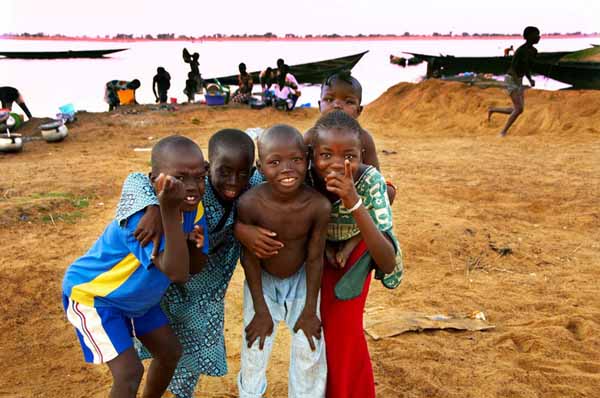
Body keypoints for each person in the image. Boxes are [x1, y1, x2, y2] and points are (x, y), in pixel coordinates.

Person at [114, 129, 273, 398]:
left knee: (191, 352)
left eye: (242, 174)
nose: (234, 181)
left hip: (208, 289)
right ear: (209, 168)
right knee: (160, 343)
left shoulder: (254, 182)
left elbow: (283, 172)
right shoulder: (195, 184)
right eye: (224, 172)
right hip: (168, 278)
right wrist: (154, 205)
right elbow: (137, 179)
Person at [62, 135, 209, 398]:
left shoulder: (194, 210)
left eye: (199, 177)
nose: (192, 187)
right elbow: (175, 273)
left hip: (137, 301)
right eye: (179, 178)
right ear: (154, 180)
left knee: (169, 352)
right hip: (96, 297)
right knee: (129, 373)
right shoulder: (140, 220)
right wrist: (167, 210)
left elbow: (192, 269)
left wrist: (194, 244)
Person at [309, 110, 403, 398]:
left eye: (349, 155)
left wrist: (353, 200)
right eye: (326, 155)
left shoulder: (370, 181)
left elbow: (387, 261)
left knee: (344, 332)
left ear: (362, 154)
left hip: (358, 253)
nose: (337, 164)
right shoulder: (305, 175)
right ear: (313, 155)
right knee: (321, 332)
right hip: (318, 256)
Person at [236, 124, 330, 398]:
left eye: (296, 160)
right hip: (261, 280)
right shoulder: (250, 204)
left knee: (310, 344)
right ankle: (249, 394)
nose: (287, 169)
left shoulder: (318, 206)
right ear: (260, 166)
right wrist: (261, 310)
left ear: (308, 160)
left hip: (302, 280)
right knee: (255, 344)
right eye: (274, 162)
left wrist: (311, 309)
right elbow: (249, 259)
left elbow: (315, 259)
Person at [304, 71, 398, 203]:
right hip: (318, 196)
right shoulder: (310, 137)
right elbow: (300, 171)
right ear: (320, 105)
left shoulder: (364, 139)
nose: (337, 105)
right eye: (329, 99)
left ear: (359, 110)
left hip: (352, 194)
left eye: (348, 102)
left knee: (387, 192)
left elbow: (374, 176)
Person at [488, 26, 540, 136]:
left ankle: (493, 109)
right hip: (512, 78)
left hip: (519, 79)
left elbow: (527, 67)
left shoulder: (534, 51)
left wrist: (529, 79)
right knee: (519, 108)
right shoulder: (521, 50)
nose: (538, 37)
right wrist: (521, 82)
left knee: (518, 109)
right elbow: (515, 66)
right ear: (528, 37)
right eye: (536, 35)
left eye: (539, 35)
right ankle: (502, 132)